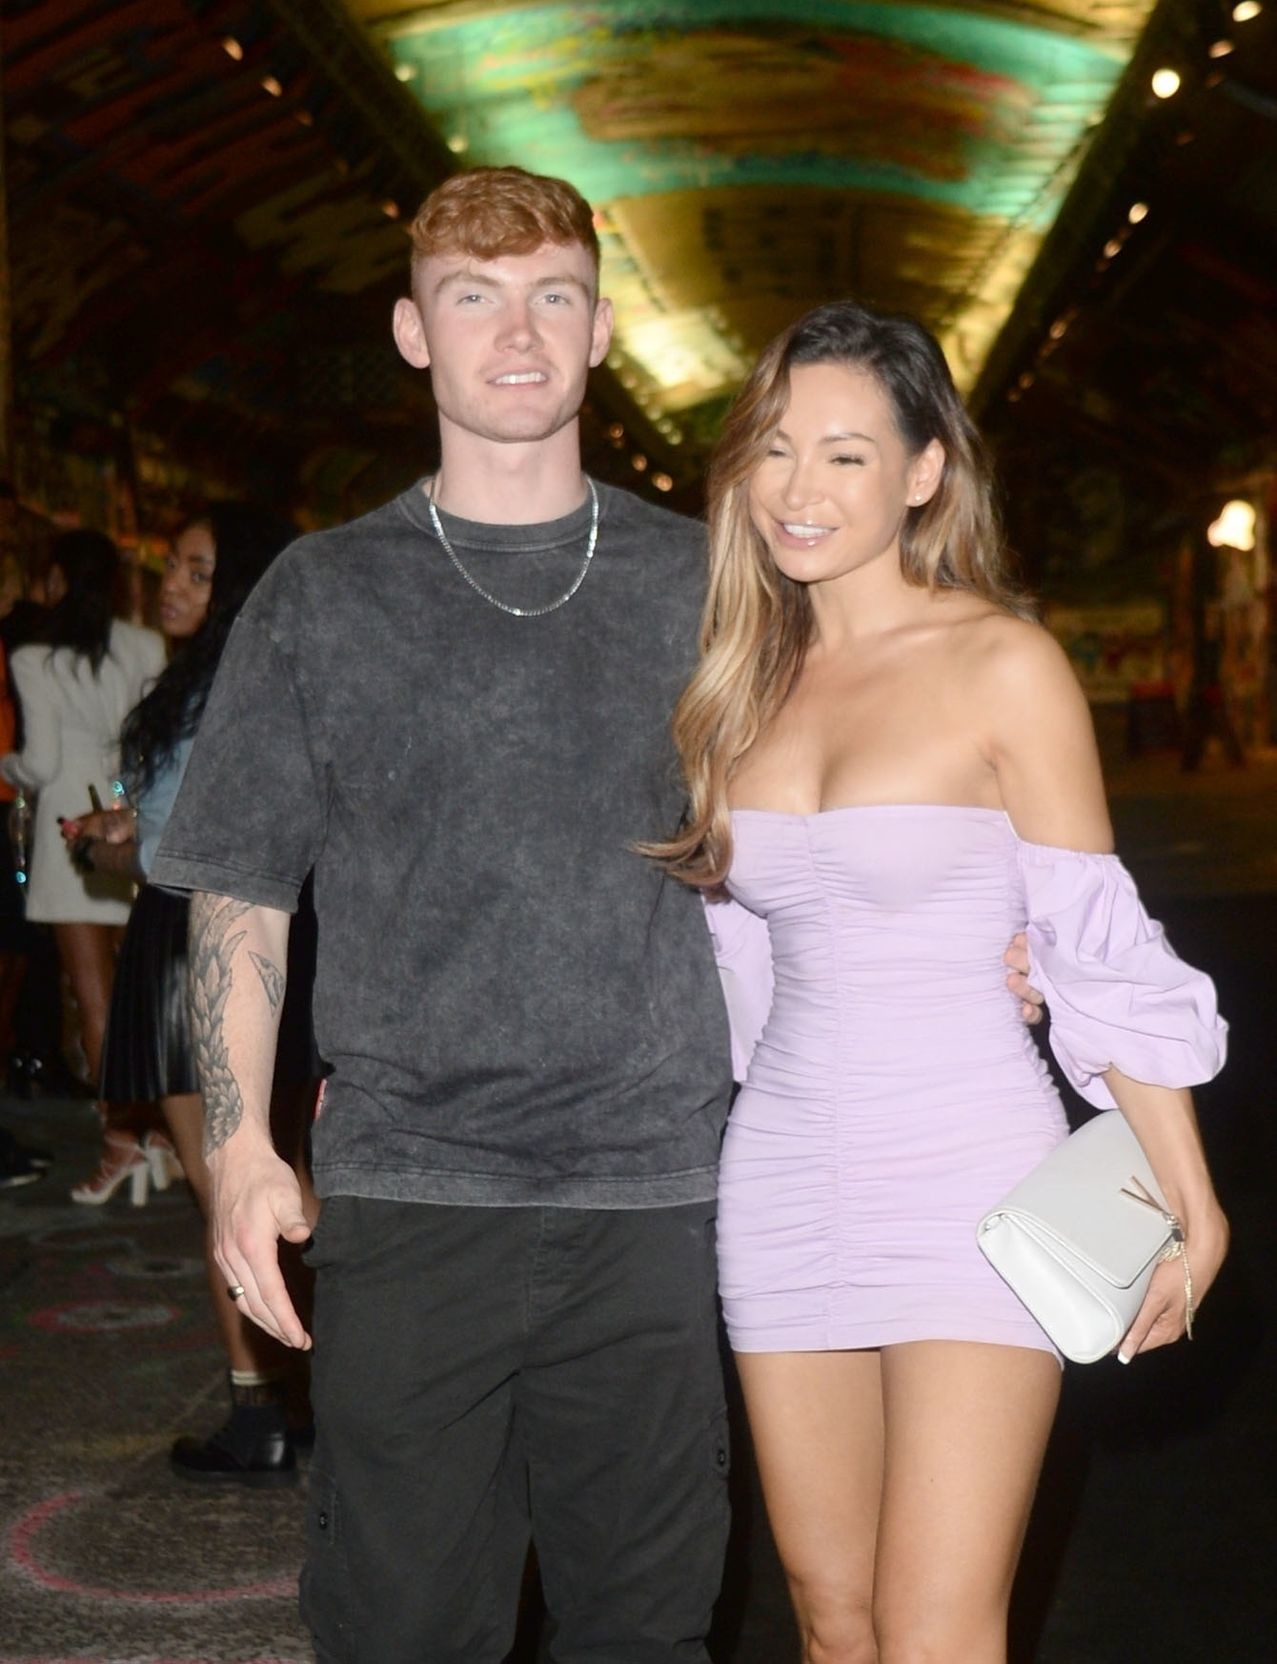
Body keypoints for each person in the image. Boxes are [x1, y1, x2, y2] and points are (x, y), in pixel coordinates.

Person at [149, 168, 1040, 1662]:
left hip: (659, 1201)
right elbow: (242, 889)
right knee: (400, 1631)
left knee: (644, 1630)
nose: (516, 334)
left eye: (551, 297)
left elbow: (886, 760)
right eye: (473, 298)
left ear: (601, 330)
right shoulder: (321, 594)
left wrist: (982, 938)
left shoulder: (716, 585)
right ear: (412, 333)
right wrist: (240, 1149)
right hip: (412, 1195)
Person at [650, 300, 1230, 1664]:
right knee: (830, 1618)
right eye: (775, 448)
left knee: (934, 1627)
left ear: (922, 472)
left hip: (969, 1173)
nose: (798, 487)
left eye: (844, 454)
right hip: (782, 1175)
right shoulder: (733, 684)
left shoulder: (1002, 664)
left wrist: (1190, 1204)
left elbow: (1091, 941)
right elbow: (728, 962)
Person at [64, 505, 317, 1485]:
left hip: (193, 945)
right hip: (259, 936)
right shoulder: (250, 675)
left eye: (198, 571)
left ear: (239, 586)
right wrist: (130, 830)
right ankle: (310, 1397)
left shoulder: (221, 685)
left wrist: (108, 849)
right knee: (279, 1179)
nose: (172, 582)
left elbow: (186, 850)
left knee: (230, 1188)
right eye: (173, 564)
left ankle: (262, 1411)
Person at [0, 528, 164, 1198]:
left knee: (93, 996)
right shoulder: (145, 646)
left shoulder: (35, 657)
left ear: (60, 580)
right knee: (138, 992)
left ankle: (122, 1141)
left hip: (69, 831)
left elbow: (38, 763)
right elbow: (150, 742)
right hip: (129, 823)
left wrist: (8, 767)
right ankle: (157, 1131)